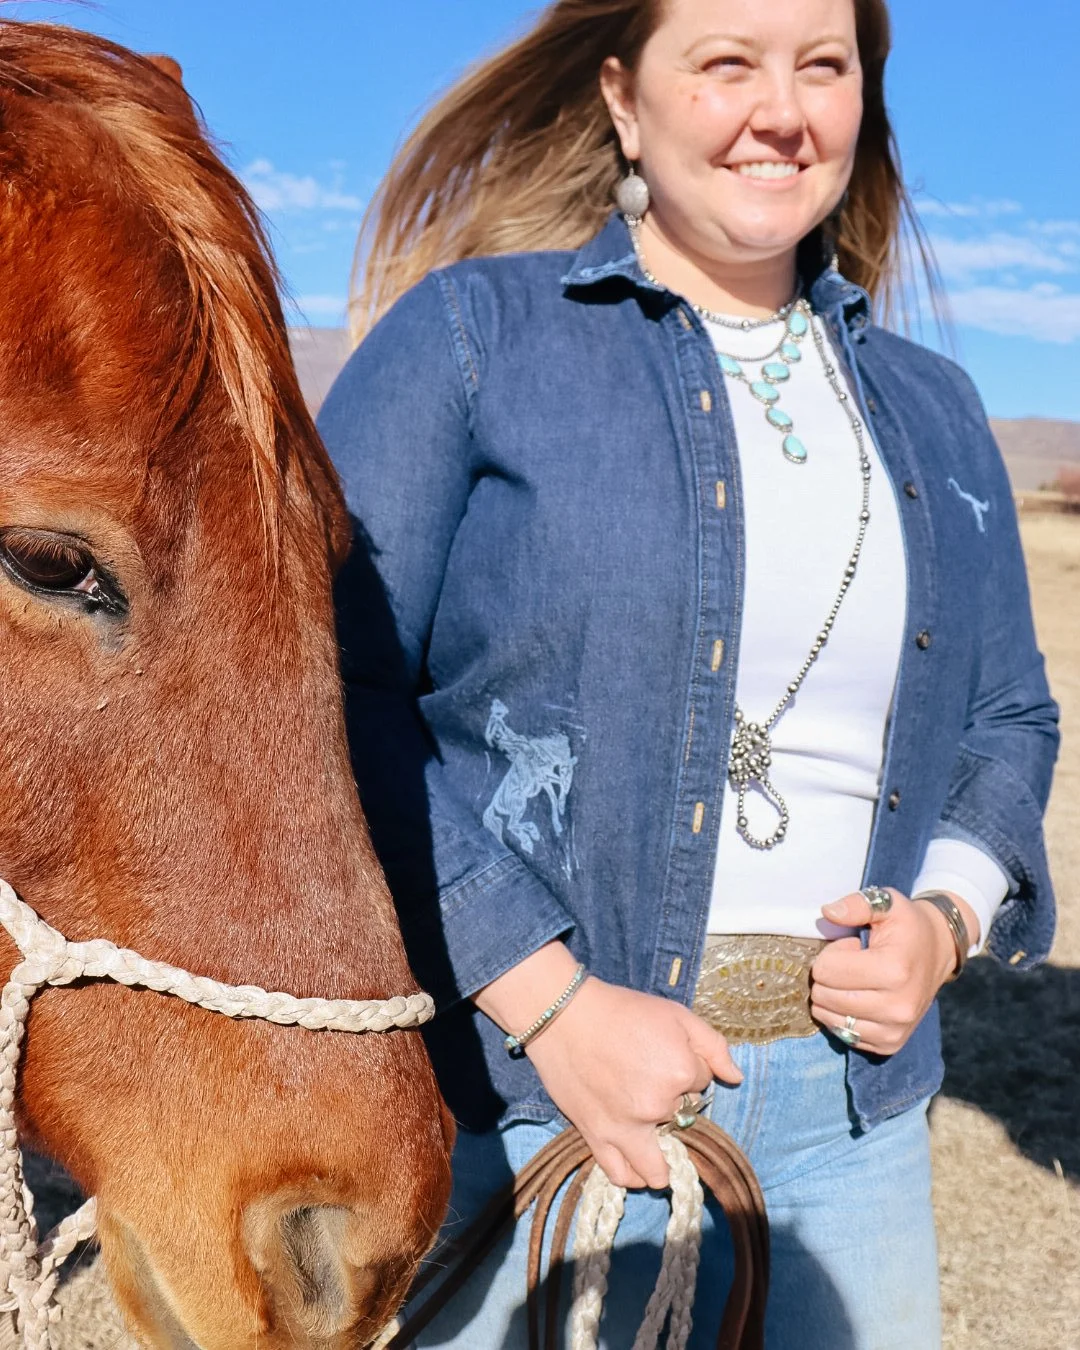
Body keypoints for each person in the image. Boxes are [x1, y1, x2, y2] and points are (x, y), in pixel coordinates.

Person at [318, 1, 1059, 1345]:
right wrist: (551, 1004)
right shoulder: (473, 341)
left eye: (822, 65)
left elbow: (1008, 714)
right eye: (726, 62)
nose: (781, 110)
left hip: (853, 1126)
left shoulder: (939, 408)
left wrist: (946, 921)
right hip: (533, 1102)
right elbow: (323, 689)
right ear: (623, 97)